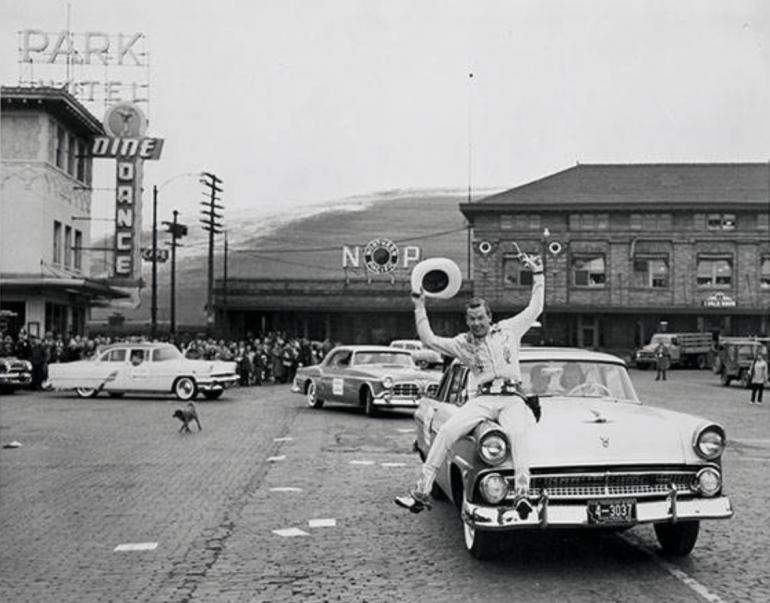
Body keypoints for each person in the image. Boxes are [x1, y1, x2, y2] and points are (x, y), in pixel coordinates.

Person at [395, 253, 544, 517]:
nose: (476, 323)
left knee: (518, 434)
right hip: (482, 400)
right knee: (447, 432)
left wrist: (538, 274)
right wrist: (419, 305)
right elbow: (429, 338)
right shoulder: (463, 343)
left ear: (490, 317)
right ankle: (421, 491)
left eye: (481, 318)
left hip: (512, 397)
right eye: (472, 319)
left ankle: (522, 494)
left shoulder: (510, 330)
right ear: (467, 321)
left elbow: (536, 308)